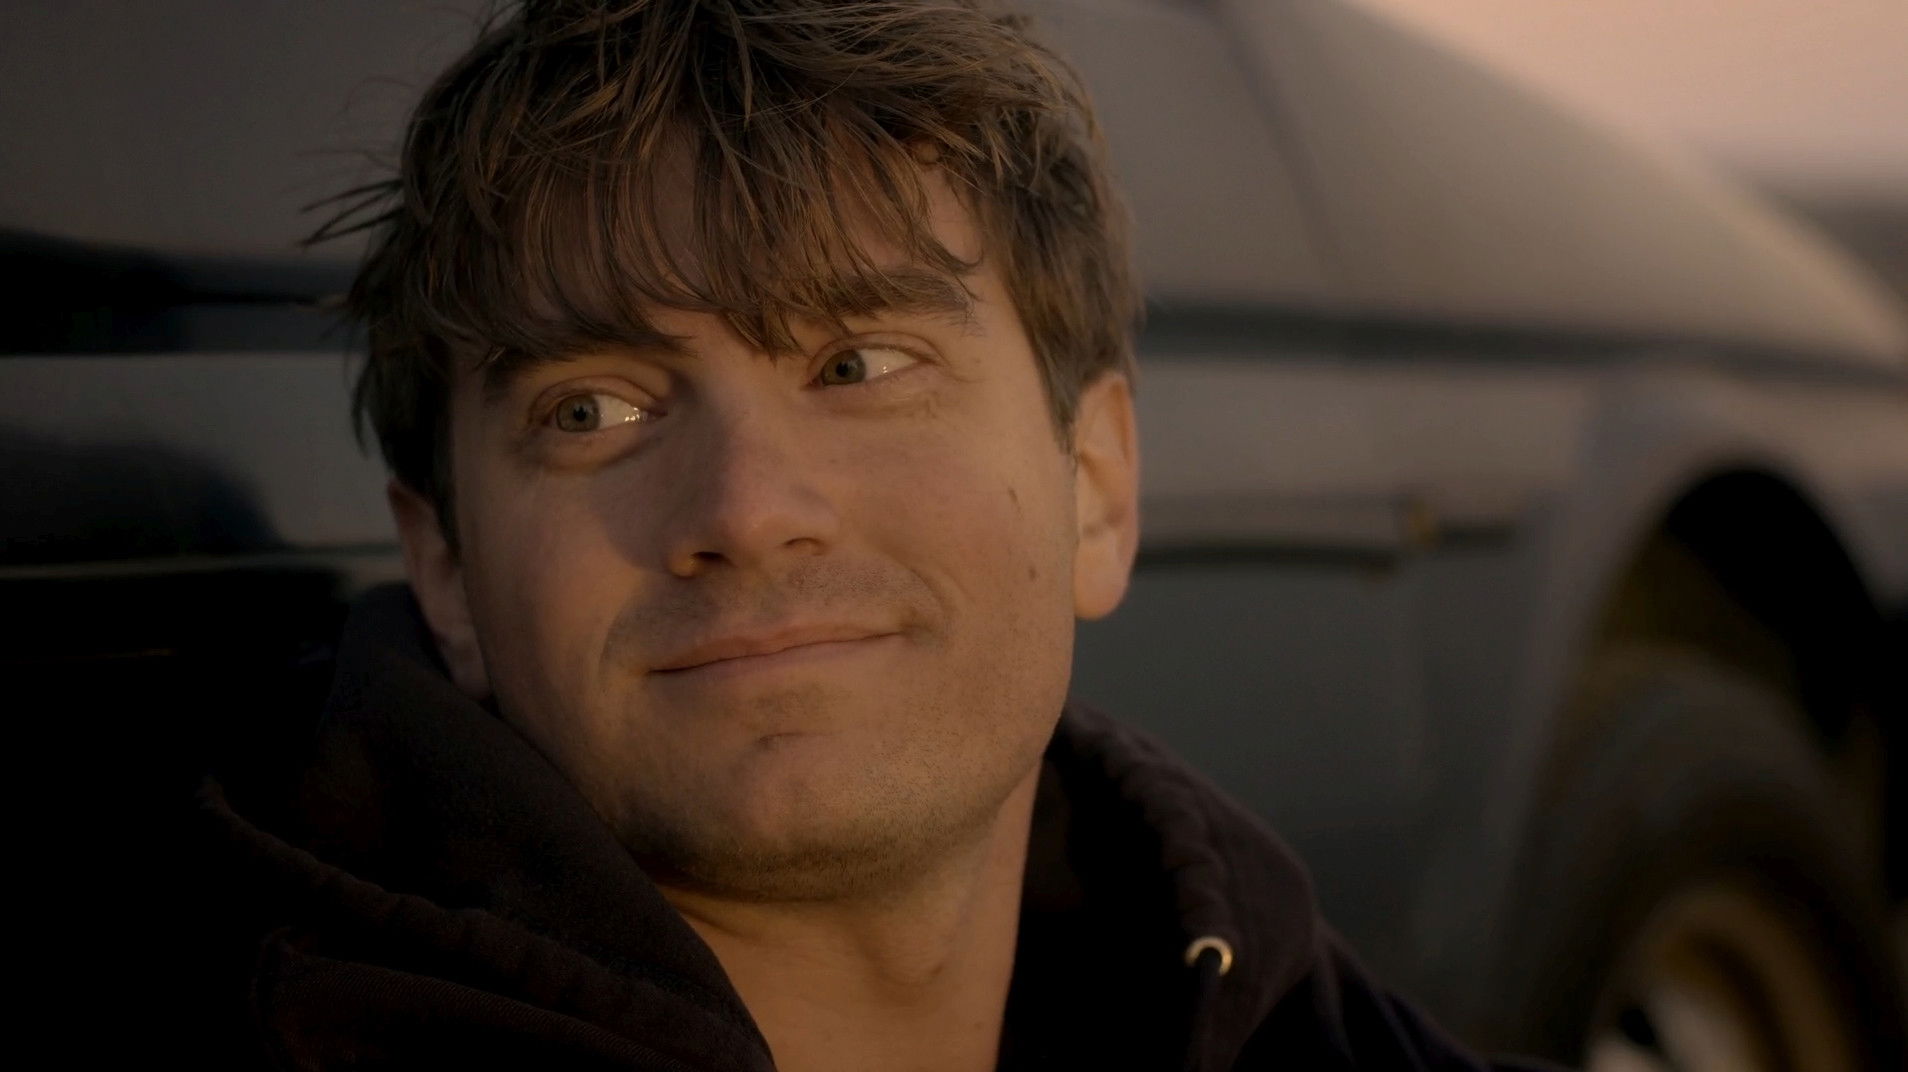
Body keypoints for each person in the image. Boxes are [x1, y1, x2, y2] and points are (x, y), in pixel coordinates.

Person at [195, 1, 1558, 1068]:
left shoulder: (1263, 1003)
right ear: (444, 569)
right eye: (592, 409)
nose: (748, 511)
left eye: (858, 365)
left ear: (1094, 485)